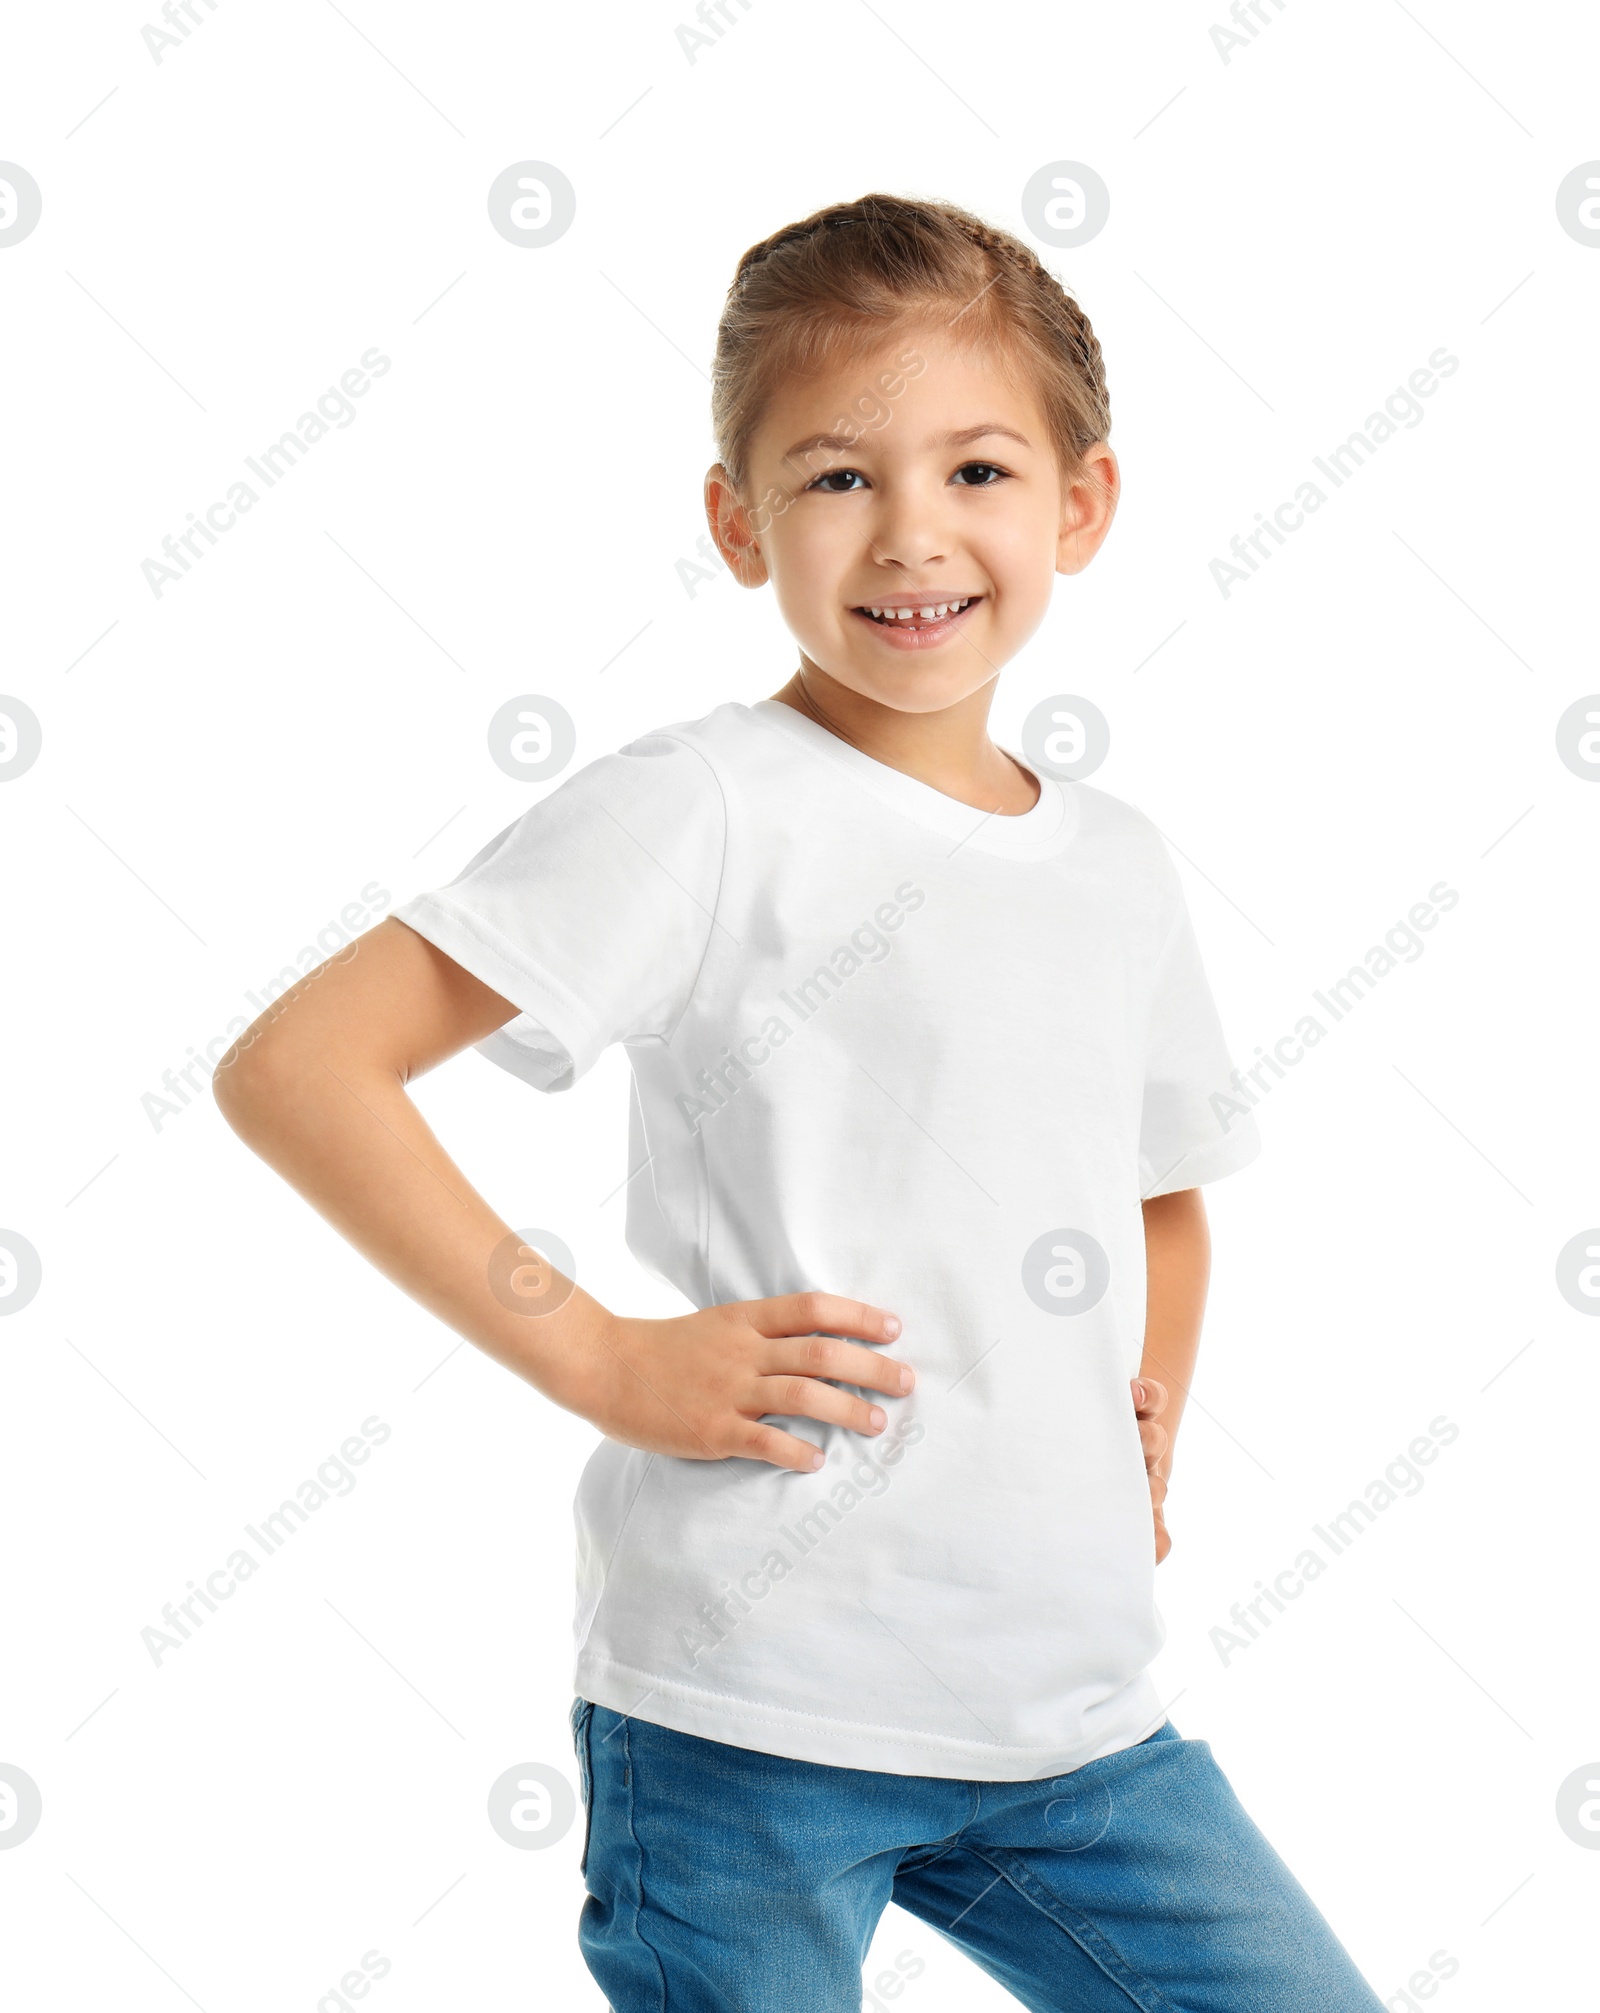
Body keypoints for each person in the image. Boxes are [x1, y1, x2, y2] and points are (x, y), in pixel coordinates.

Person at [216, 194, 1385, 2011]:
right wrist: (599, 1356)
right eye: (838, 477)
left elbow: (1163, 1180)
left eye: (979, 468)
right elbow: (300, 1067)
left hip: (1071, 1723)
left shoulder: (1119, 864)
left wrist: (1145, 1413)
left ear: (1081, 503)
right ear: (734, 519)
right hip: (746, 1714)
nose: (913, 533)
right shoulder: (703, 808)